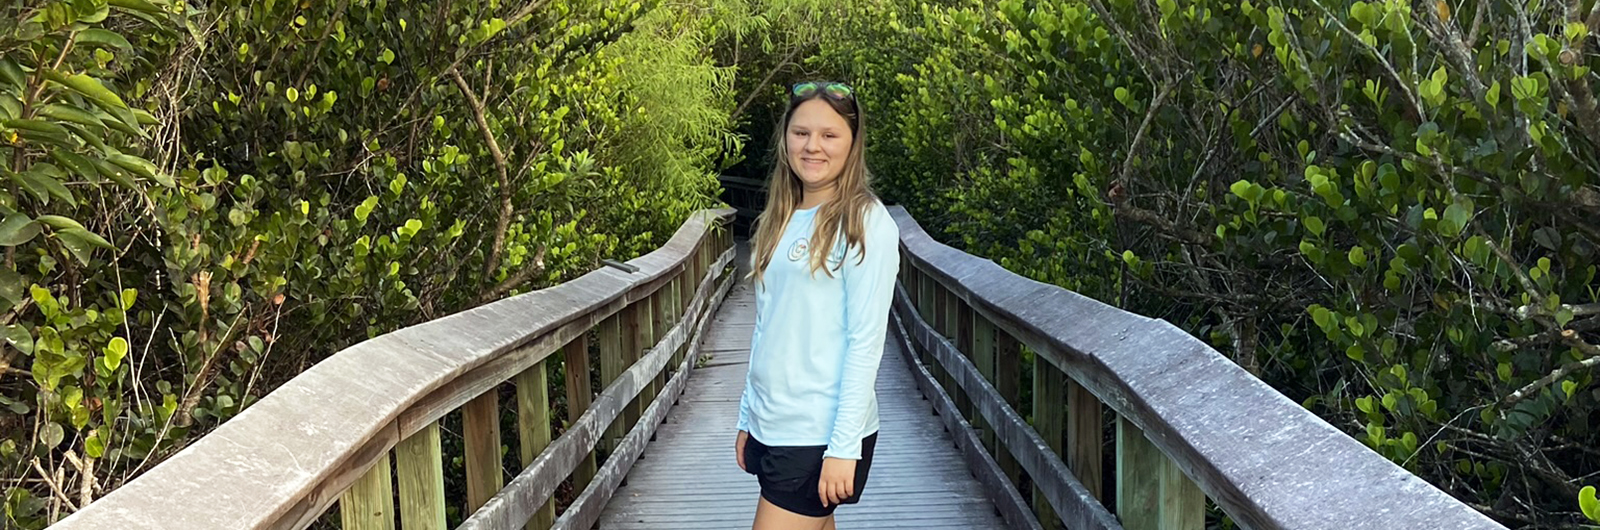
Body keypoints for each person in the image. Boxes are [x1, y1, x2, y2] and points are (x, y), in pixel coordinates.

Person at [734, 80, 901, 530]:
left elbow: (865, 342)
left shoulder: (865, 222)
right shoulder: (782, 215)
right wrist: (748, 414)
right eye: (801, 132)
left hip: (818, 434)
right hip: (775, 424)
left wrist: (844, 447)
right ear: (785, 136)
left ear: (852, 143)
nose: (813, 147)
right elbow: (769, 326)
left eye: (829, 135)